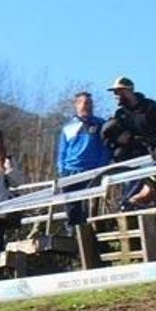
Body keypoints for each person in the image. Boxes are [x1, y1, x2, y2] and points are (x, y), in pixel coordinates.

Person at [103, 76, 156, 208]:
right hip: (130, 161)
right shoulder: (120, 114)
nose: (115, 96)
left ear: (128, 91)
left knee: (152, 192)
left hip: (152, 156)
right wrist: (119, 138)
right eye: (114, 93)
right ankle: (126, 209)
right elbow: (111, 138)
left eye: (118, 92)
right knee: (132, 192)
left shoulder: (151, 106)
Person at [55, 91, 110, 227]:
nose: (87, 106)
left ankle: (90, 237)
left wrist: (100, 167)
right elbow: (62, 150)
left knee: (90, 208)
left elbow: (105, 148)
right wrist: (62, 169)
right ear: (76, 104)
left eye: (90, 103)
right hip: (70, 171)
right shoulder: (68, 127)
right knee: (71, 209)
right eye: (84, 103)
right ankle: (73, 236)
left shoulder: (100, 124)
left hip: (92, 171)